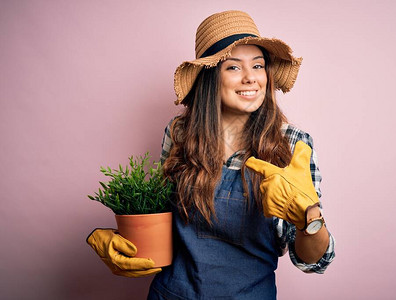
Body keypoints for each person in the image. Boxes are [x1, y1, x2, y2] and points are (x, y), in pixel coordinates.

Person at [87, 10, 335, 299]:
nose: (250, 78)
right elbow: (159, 222)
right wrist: (114, 239)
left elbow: (313, 261)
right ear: (209, 77)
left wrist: (309, 217)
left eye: (258, 66)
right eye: (233, 67)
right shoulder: (179, 132)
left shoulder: (292, 144)